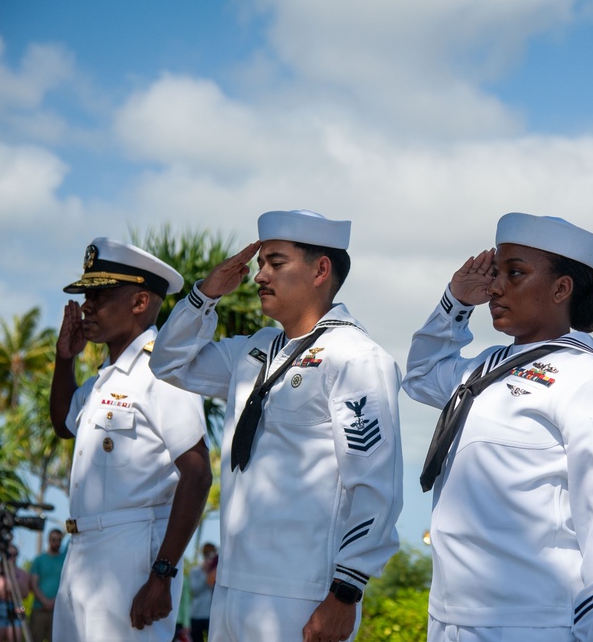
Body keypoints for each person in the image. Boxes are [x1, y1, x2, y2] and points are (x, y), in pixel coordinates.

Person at [150, 210, 404, 642]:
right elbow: (169, 362)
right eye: (260, 263)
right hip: (232, 587)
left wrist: (346, 591)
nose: (259, 276)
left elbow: (376, 484)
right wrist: (205, 296)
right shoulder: (254, 351)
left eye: (276, 263)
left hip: (301, 593)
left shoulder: (355, 357)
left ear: (321, 269)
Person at [403, 213, 593, 642]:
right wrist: (454, 304)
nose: (495, 287)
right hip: (448, 617)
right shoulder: (483, 367)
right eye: (495, 273)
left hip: (532, 622)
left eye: (515, 273)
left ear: (561, 288)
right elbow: (421, 377)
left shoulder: (590, 380)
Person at [50, 238, 212, 642]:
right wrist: (64, 360)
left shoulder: (163, 371)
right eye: (86, 295)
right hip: (83, 552)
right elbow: (63, 423)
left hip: (133, 555)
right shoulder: (104, 379)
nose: (87, 306)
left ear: (140, 302)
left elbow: (196, 475)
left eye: (100, 295)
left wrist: (161, 575)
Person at [0, 545, 30, 642]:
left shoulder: (21, 573)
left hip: (15, 608)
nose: (12, 558)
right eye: (9, 555)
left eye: (15, 555)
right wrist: (1, 591)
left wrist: (14, 585)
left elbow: (25, 594)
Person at [28, 528, 65, 642]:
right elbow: (33, 584)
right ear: (49, 540)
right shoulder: (39, 560)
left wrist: (55, 601)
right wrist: (45, 601)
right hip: (39, 609)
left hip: (58, 610)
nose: (56, 543)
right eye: (54, 539)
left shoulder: (65, 559)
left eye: (59, 540)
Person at [186, 543, 216, 642]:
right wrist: (205, 573)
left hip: (211, 615)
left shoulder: (217, 572)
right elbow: (195, 590)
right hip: (196, 615)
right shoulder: (195, 571)